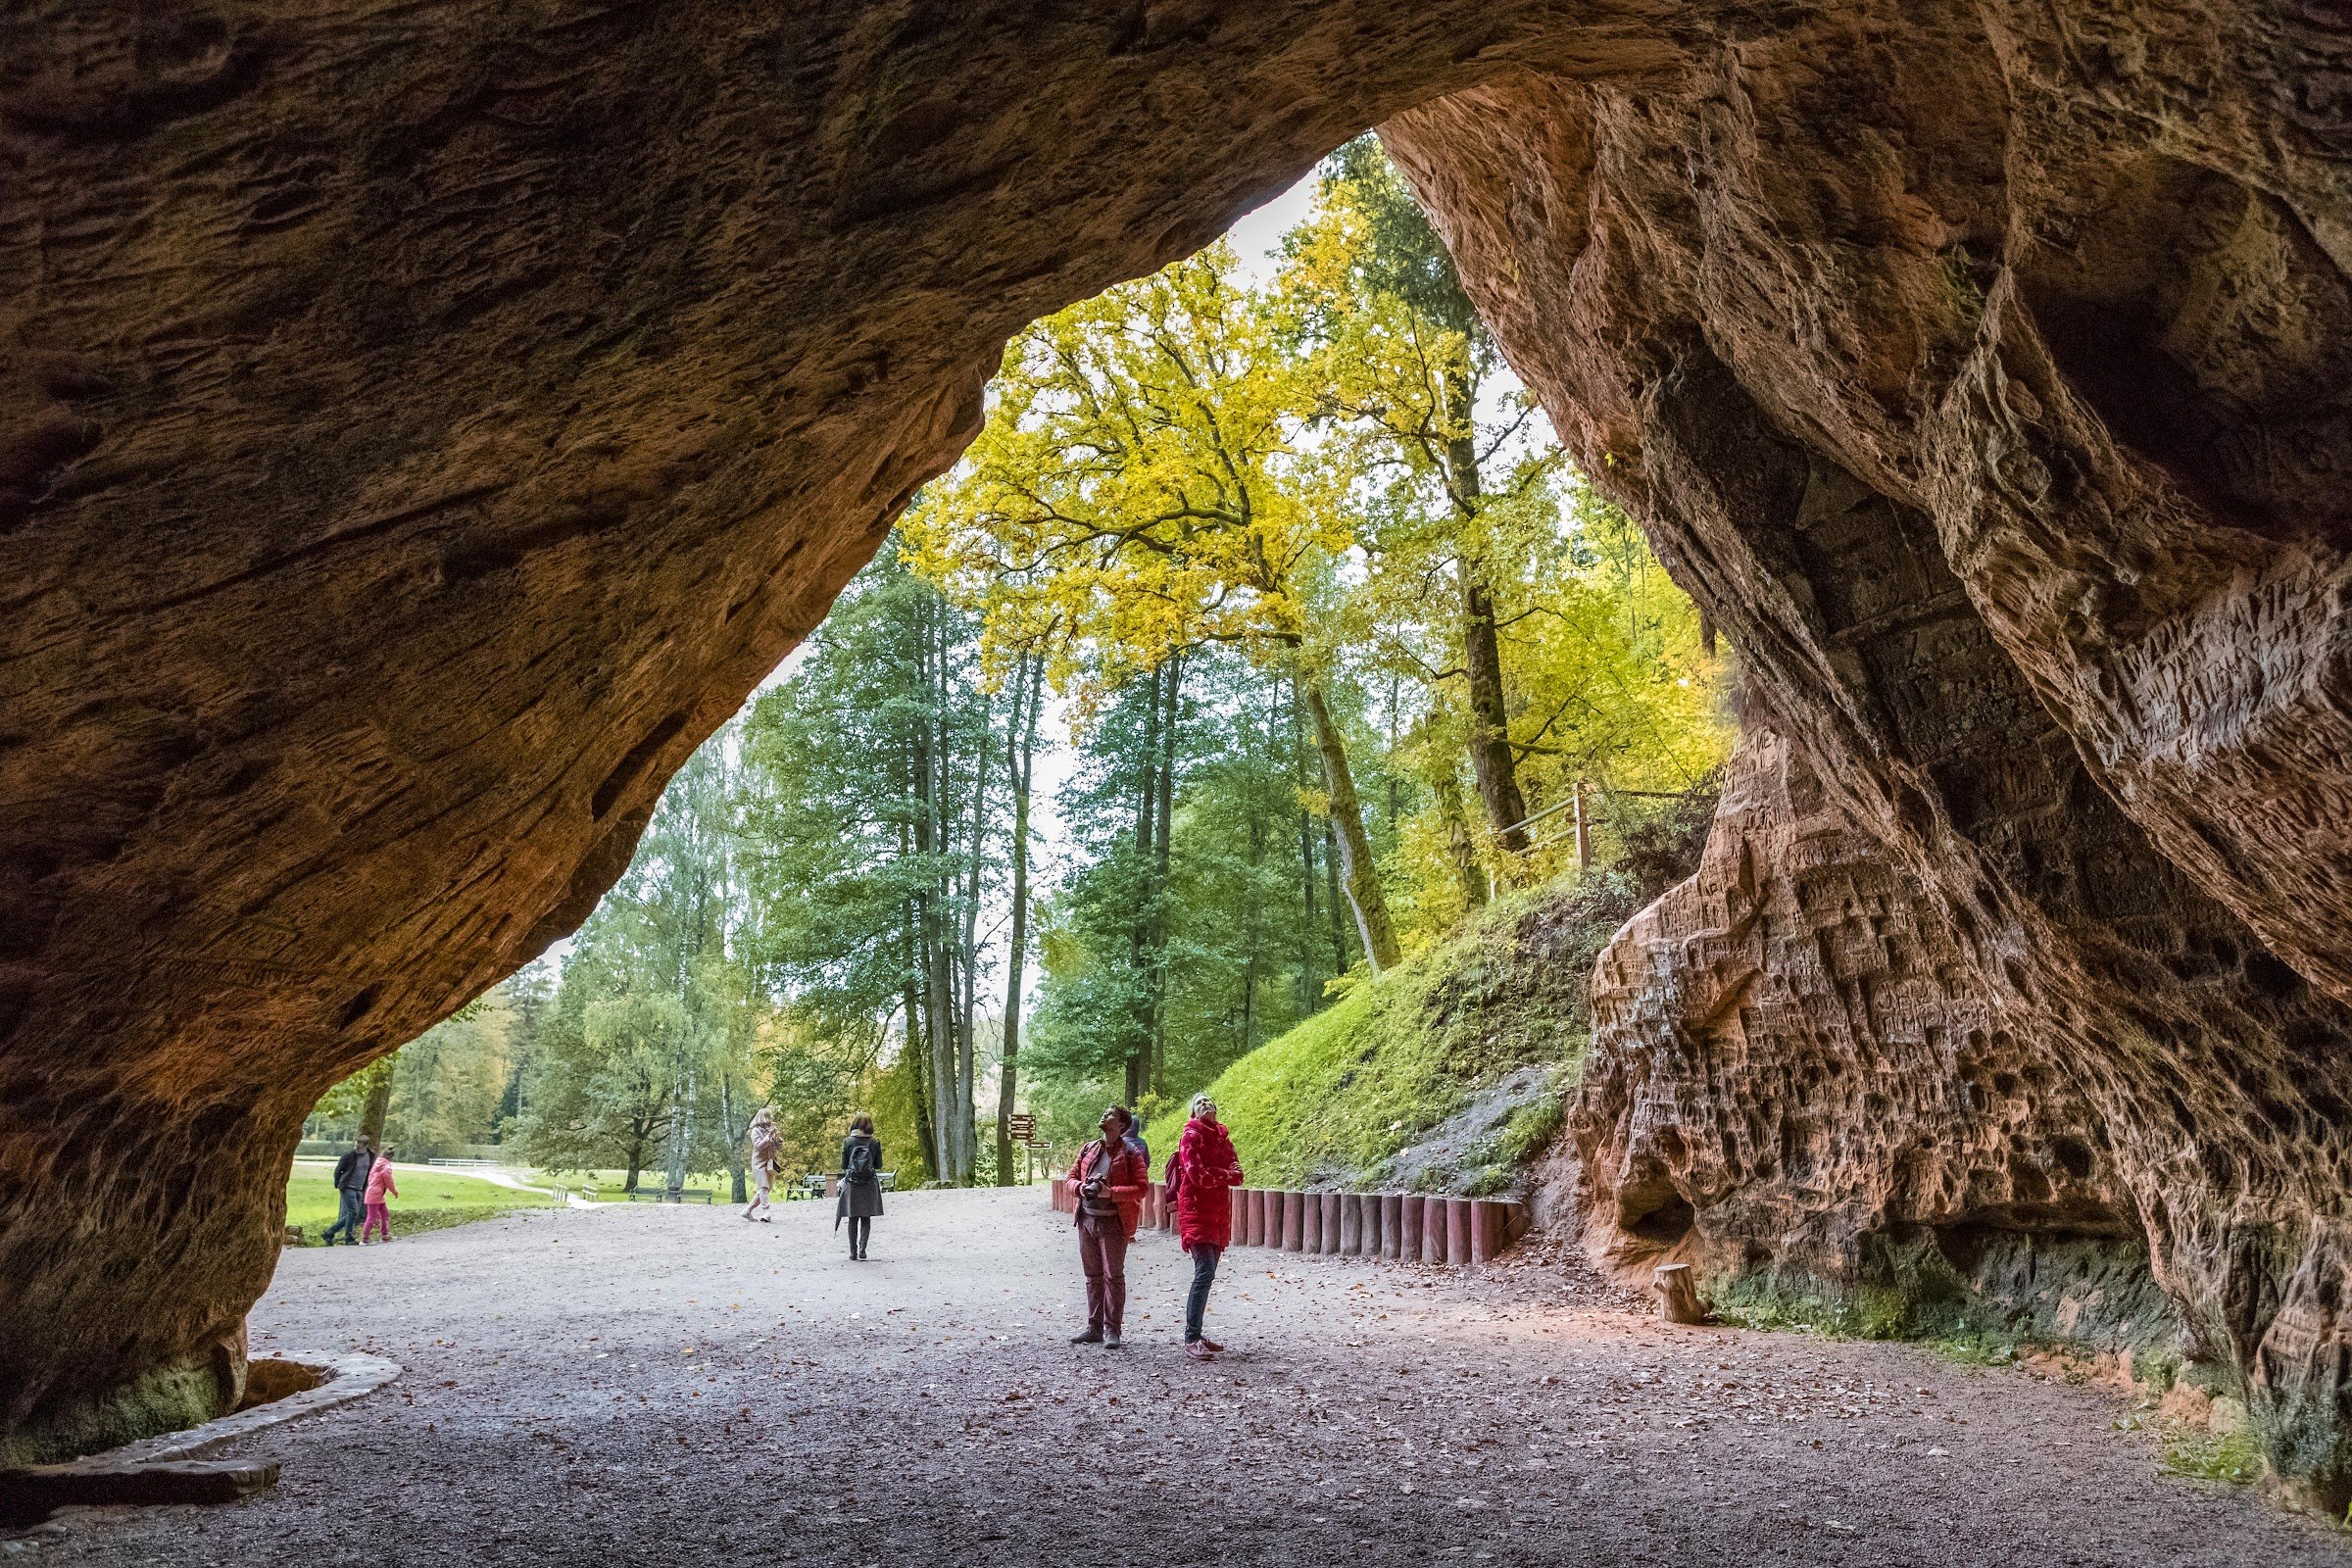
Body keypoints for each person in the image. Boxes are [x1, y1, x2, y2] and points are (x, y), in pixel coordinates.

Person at [1164, 1094, 1245, 1360]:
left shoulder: (1223, 1138)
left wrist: (1219, 1174)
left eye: (1210, 1101)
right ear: (1193, 1112)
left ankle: (1196, 1333)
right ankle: (1191, 1338)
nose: (1206, 1104)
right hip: (1196, 1211)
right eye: (1200, 1103)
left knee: (1208, 1275)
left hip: (1219, 1213)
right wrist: (1224, 1174)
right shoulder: (1190, 1137)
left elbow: (1239, 1176)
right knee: (1204, 1272)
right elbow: (1196, 1176)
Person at [1065, 1104, 1148, 1348]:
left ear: (1122, 1124)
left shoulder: (1132, 1153)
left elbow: (1142, 1189)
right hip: (1087, 1219)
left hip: (1114, 1221)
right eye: (1104, 1113)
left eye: (1109, 1115)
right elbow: (1070, 1179)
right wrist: (1082, 1189)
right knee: (1092, 1276)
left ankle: (1113, 1330)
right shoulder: (1089, 1148)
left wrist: (1110, 1193)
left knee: (1114, 1276)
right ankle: (1094, 1328)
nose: (1103, 1116)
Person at [836, 1114, 884, 1260]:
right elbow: (878, 1165)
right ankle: (863, 1249)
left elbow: (843, 1166)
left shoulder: (848, 1142)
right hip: (869, 1184)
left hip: (852, 1183)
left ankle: (853, 1252)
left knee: (852, 1218)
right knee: (866, 1218)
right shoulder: (875, 1142)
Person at [321, 1134, 374, 1246]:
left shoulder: (370, 1155)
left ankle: (329, 1233)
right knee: (353, 1211)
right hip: (347, 1187)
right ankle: (348, 1238)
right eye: (356, 1146)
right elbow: (338, 1170)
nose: (357, 1148)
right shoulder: (349, 1155)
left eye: (359, 1147)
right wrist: (338, 1184)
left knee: (353, 1213)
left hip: (360, 1188)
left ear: (366, 1146)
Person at [745, 1106, 782, 1223]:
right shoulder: (755, 1131)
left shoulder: (770, 1130)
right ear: (764, 1117)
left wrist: (777, 1138)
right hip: (759, 1163)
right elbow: (758, 1146)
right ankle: (766, 1213)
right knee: (764, 1187)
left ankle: (747, 1211)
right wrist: (768, 1136)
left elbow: (780, 1148)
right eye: (769, 1116)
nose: (771, 1119)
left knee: (766, 1188)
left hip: (769, 1163)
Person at [361, 1144, 399, 1243]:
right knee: (372, 1217)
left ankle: (385, 1235)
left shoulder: (376, 1164)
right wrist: (394, 1192)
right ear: (390, 1157)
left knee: (384, 1213)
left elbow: (370, 1178)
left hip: (375, 1193)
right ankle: (365, 1239)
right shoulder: (386, 1167)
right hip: (376, 1194)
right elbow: (389, 1182)